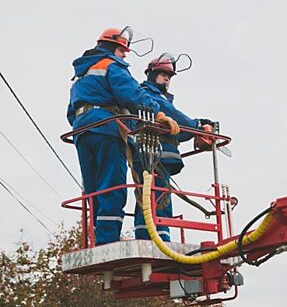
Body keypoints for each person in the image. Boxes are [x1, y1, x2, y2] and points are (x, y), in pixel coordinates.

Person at [67, 29, 179, 245]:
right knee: (112, 183)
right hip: (107, 128)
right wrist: (157, 113)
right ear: (109, 47)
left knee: (93, 187)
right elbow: (131, 94)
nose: (124, 55)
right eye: (121, 50)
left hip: (81, 130)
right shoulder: (111, 65)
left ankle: (99, 237)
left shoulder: (81, 74)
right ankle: (108, 240)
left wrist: (87, 122)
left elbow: (70, 112)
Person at [133, 53, 214, 242]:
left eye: (169, 77)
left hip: (160, 155)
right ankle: (159, 240)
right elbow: (172, 115)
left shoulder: (161, 99)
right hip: (152, 155)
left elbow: (176, 130)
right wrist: (197, 125)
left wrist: (195, 131)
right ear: (152, 75)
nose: (167, 79)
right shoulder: (147, 94)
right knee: (157, 200)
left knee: (149, 198)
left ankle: (148, 237)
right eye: (163, 75)